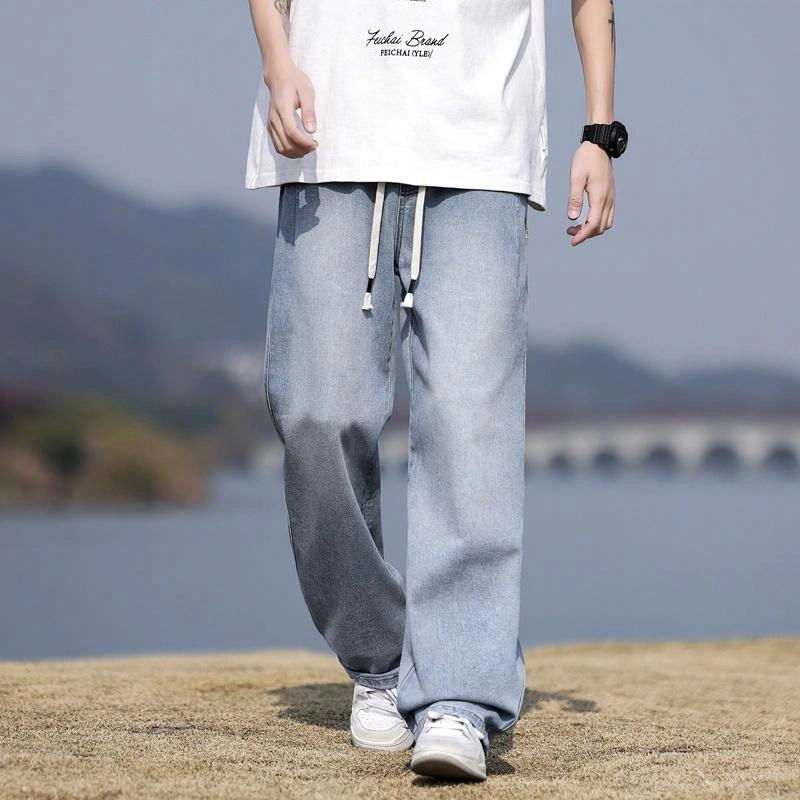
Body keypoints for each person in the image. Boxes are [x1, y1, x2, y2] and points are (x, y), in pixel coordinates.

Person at [246, 0, 627, 782]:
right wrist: (277, 58)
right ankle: (380, 658)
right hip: (331, 137)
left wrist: (599, 132)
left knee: (469, 425)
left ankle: (460, 695)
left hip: (481, 147)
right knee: (316, 411)